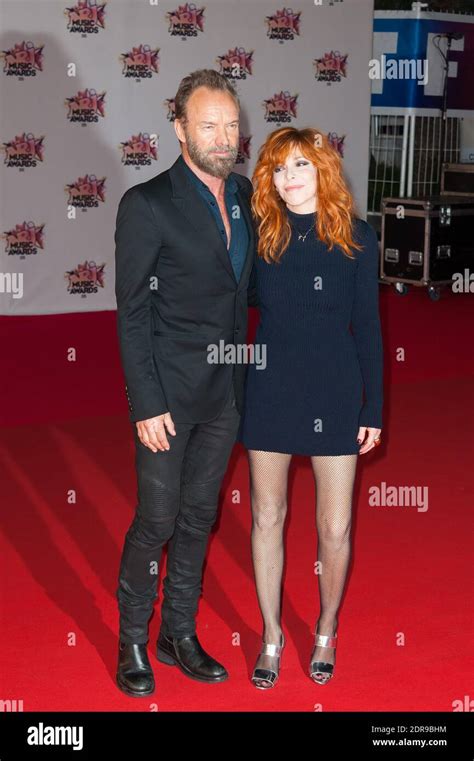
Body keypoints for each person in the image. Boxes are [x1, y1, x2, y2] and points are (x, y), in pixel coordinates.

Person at [114, 69, 258, 697]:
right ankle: (133, 642)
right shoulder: (146, 205)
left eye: (231, 125)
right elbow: (132, 313)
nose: (223, 137)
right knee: (158, 519)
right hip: (168, 399)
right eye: (209, 125)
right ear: (179, 128)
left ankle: (179, 632)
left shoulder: (246, 196)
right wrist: (144, 402)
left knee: (201, 517)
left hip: (226, 392)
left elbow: (247, 289)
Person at [237, 126, 384, 688]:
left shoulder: (357, 237)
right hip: (272, 389)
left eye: (299, 165)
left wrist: (372, 409)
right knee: (267, 516)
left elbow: (368, 327)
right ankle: (272, 634)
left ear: (322, 168)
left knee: (335, 525)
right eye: (277, 169)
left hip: (335, 390)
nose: (289, 178)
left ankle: (325, 627)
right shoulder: (262, 235)